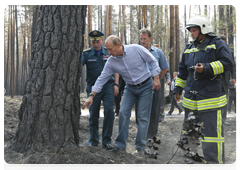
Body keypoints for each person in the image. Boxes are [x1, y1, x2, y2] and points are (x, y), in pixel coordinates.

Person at [82, 35, 161, 155]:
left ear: (118, 45)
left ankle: (140, 147)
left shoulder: (136, 49)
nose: (108, 52)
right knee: (123, 113)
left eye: (110, 49)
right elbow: (102, 78)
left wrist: (156, 78)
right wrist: (92, 95)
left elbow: (152, 61)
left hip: (146, 85)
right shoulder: (111, 61)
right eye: (107, 49)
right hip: (130, 88)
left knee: (142, 117)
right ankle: (120, 146)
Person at [173, 15, 233, 166]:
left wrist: (207, 68)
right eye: (191, 31)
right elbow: (182, 72)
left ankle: (214, 162)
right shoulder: (189, 48)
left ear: (204, 29)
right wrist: (177, 88)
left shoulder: (217, 44)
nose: (192, 33)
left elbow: (228, 63)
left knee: (211, 133)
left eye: (194, 30)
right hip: (191, 99)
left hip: (211, 98)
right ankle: (191, 159)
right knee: (190, 130)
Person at [82, 30, 119, 150]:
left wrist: (116, 84)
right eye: (93, 42)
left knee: (109, 111)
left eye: (98, 42)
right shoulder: (86, 54)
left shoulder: (108, 52)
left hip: (108, 85)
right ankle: (93, 141)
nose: (96, 44)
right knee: (93, 114)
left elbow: (116, 68)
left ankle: (106, 140)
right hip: (93, 87)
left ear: (102, 41)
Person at [137, 29, 169, 139]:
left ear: (150, 39)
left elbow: (164, 68)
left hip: (154, 86)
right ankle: (141, 135)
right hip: (140, 86)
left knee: (154, 111)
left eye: (144, 39)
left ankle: (151, 137)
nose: (142, 41)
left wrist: (157, 79)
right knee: (140, 111)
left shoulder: (158, 52)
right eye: (141, 39)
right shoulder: (137, 51)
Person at [219, 35, 236, 126]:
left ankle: (223, 118)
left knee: (224, 99)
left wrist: (233, 77)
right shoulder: (214, 51)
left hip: (225, 79)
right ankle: (215, 118)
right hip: (215, 79)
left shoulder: (230, 52)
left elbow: (233, 65)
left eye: (224, 42)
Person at [152, 44, 171, 123]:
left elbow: (167, 71)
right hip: (151, 80)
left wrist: (168, 79)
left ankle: (161, 117)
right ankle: (153, 117)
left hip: (161, 80)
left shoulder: (162, 58)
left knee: (161, 98)